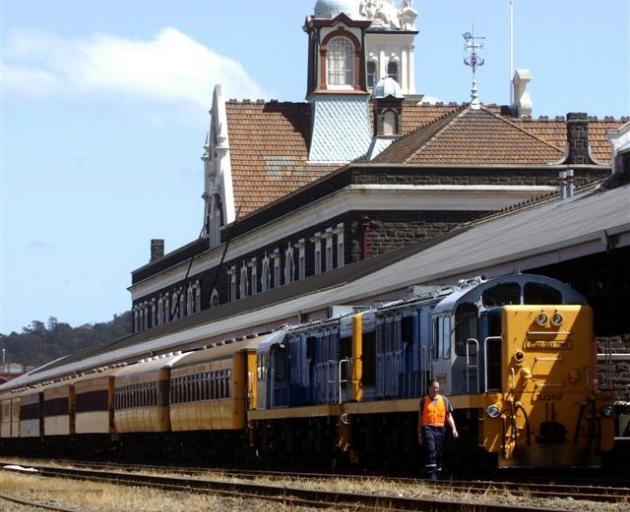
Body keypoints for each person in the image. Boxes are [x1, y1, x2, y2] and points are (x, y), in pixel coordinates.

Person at [418, 378, 458, 480]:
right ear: (429, 388)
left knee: (439, 452)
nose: (436, 390)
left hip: (440, 429)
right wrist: (419, 434)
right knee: (431, 450)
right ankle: (432, 476)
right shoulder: (423, 401)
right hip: (428, 428)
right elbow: (420, 419)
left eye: (437, 388)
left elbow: (449, 416)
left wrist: (454, 428)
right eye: (434, 388)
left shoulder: (444, 400)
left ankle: (438, 474)